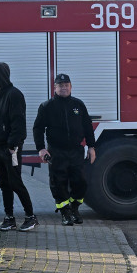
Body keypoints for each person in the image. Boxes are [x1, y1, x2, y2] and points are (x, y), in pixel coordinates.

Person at [0, 62, 38, 232]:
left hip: (10, 149)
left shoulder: (14, 95)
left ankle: (31, 217)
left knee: (15, 182)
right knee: (4, 183)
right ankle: (9, 218)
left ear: (0, 76)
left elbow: (18, 123)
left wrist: (12, 145)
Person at [33, 73, 96, 225]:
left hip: (76, 150)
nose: (64, 88)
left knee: (80, 181)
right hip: (56, 151)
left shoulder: (78, 105)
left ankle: (74, 208)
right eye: (60, 85)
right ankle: (64, 212)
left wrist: (91, 147)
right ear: (55, 88)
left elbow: (88, 126)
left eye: (66, 85)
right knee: (58, 182)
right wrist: (41, 149)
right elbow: (38, 128)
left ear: (71, 87)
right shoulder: (47, 106)